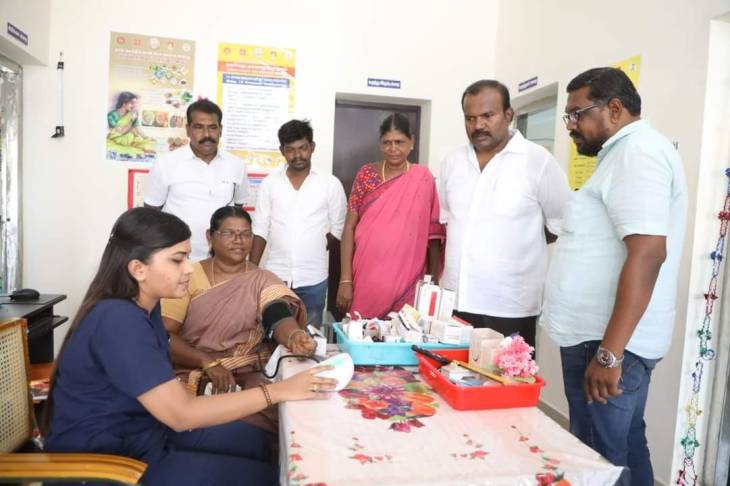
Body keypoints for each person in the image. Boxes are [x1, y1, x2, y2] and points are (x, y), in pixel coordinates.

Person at [44, 207, 336, 486]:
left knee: (258, 443)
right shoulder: (118, 319)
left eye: (187, 257)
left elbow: (276, 311)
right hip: (111, 461)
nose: (188, 269)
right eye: (177, 260)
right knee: (264, 479)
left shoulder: (145, 308)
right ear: (138, 269)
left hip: (146, 432)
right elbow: (181, 414)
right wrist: (279, 391)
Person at [541, 67, 687, 485]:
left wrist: (610, 353)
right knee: (623, 444)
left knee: (598, 458)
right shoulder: (622, 155)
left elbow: (648, 254)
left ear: (615, 108)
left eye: (577, 114)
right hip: (604, 339)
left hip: (607, 343)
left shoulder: (638, 154)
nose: (570, 125)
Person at [439, 80, 570, 349]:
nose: (478, 125)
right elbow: (449, 219)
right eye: (470, 118)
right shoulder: (452, 162)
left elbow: (560, 223)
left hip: (510, 305)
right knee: (450, 375)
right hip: (457, 302)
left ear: (508, 115)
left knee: (508, 375)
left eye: (488, 116)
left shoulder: (537, 161)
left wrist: (515, 246)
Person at [162, 205, 316, 433]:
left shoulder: (261, 278)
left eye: (245, 234)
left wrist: (294, 335)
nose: (239, 240)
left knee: (289, 418)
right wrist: (207, 362)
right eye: (229, 233)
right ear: (210, 237)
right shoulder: (188, 276)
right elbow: (163, 335)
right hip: (196, 372)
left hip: (249, 374)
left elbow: (276, 313)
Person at [336, 113, 444, 319]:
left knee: (404, 330)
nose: (393, 148)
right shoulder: (366, 175)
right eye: (387, 142)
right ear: (380, 143)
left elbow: (433, 233)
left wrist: (432, 281)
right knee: (363, 329)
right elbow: (349, 227)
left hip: (409, 278)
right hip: (368, 275)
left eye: (399, 142)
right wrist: (345, 280)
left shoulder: (423, 178)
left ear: (412, 142)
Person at [250, 120, 346, 328]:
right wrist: (251, 271)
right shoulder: (270, 184)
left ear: (312, 147)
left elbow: (338, 229)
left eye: (303, 148)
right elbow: (260, 229)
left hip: (314, 278)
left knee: (309, 336)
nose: (297, 155)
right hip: (276, 276)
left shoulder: (330, 184)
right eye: (290, 150)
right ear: (282, 151)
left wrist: (316, 248)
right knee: (273, 333)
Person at [144, 99, 248, 261]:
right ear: (188, 130)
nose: (207, 135)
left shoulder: (237, 165)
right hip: (178, 259)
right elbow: (151, 214)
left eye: (212, 127)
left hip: (222, 261)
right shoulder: (165, 163)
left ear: (220, 130)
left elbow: (238, 211)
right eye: (199, 127)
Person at [106, 91, 155, 159]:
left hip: (131, 140)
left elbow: (137, 128)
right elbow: (121, 131)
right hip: (117, 141)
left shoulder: (131, 114)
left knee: (151, 144)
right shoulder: (111, 115)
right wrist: (131, 120)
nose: (134, 106)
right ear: (124, 103)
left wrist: (146, 138)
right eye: (132, 103)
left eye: (135, 103)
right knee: (134, 151)